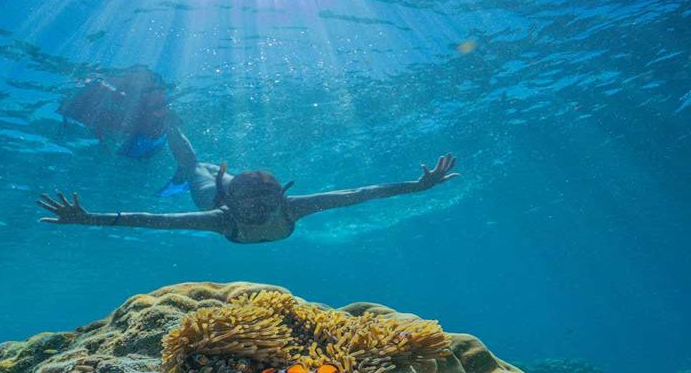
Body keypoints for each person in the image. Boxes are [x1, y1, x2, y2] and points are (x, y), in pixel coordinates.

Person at [37, 116, 459, 244]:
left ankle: (179, 139)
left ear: (279, 197)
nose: (257, 207)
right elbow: (150, 219)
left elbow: (361, 194)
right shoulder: (219, 214)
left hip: (228, 188)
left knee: (208, 168)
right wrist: (89, 218)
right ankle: (168, 127)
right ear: (232, 201)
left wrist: (418, 186)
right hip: (212, 192)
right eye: (249, 200)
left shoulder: (283, 205)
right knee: (195, 168)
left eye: (264, 198)